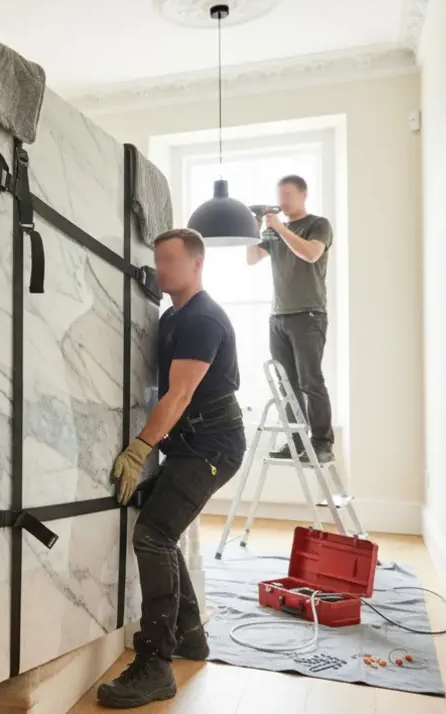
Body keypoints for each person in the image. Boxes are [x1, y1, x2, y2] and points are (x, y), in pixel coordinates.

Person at [100, 228, 246, 709]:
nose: (160, 268)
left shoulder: (202, 319)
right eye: (156, 259)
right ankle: (190, 636)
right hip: (190, 445)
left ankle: (156, 664)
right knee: (159, 525)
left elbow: (179, 394)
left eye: (169, 260)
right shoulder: (172, 316)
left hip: (213, 448)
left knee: (153, 534)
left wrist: (140, 448)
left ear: (197, 264)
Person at [247, 175, 336, 462]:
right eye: (279, 194)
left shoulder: (318, 225)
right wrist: (256, 228)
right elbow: (251, 259)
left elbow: (310, 254)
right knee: (287, 385)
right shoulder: (274, 231)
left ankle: (322, 444)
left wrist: (280, 228)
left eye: (287, 194)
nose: (282, 200)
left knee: (311, 381)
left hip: (308, 315)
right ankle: (296, 443)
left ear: (303, 194)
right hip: (279, 317)